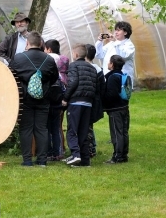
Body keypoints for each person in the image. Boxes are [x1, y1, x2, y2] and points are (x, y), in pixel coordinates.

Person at [9, 31, 59, 167]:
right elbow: (54, 77)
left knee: (25, 129)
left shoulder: (19, 58)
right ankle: (42, 160)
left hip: (25, 98)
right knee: (42, 129)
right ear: (41, 44)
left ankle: (27, 160)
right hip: (44, 98)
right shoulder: (49, 59)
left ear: (27, 43)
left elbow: (10, 76)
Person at [63, 44, 103, 167]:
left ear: (75, 55)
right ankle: (85, 159)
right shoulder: (92, 68)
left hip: (76, 102)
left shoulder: (73, 66)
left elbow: (73, 82)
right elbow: (96, 87)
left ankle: (75, 154)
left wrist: (65, 98)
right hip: (88, 103)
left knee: (72, 130)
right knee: (83, 131)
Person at [102, 55, 131, 164]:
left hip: (115, 109)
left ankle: (117, 156)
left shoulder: (112, 77)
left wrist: (103, 100)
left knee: (116, 132)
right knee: (124, 131)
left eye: (109, 62)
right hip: (124, 107)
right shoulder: (121, 75)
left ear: (112, 64)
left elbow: (111, 95)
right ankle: (124, 154)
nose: (108, 64)